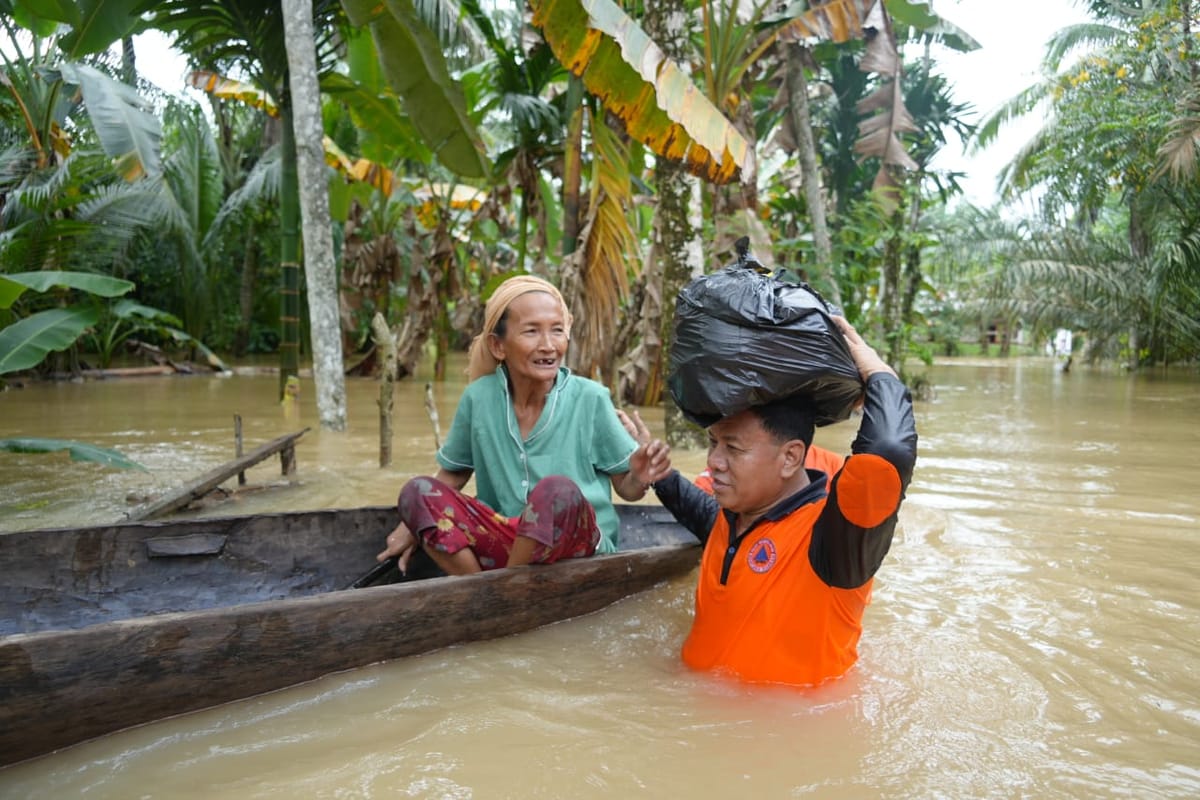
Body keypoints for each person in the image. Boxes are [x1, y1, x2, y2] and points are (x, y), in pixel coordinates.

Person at [643, 316, 917, 686]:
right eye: (713, 443)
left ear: (790, 457)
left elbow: (886, 452)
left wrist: (877, 372)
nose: (713, 462)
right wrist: (661, 476)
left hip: (785, 734)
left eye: (733, 448)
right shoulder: (732, 517)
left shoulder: (835, 541)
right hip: (695, 718)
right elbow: (703, 515)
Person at [377, 275, 672, 576]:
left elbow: (627, 488)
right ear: (498, 346)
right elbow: (452, 475)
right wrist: (411, 525)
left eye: (557, 331)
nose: (548, 345)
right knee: (417, 491)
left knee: (556, 492)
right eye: (532, 331)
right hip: (507, 540)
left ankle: (499, 595)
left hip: (575, 546)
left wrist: (641, 475)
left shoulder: (591, 399)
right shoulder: (478, 399)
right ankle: (484, 590)